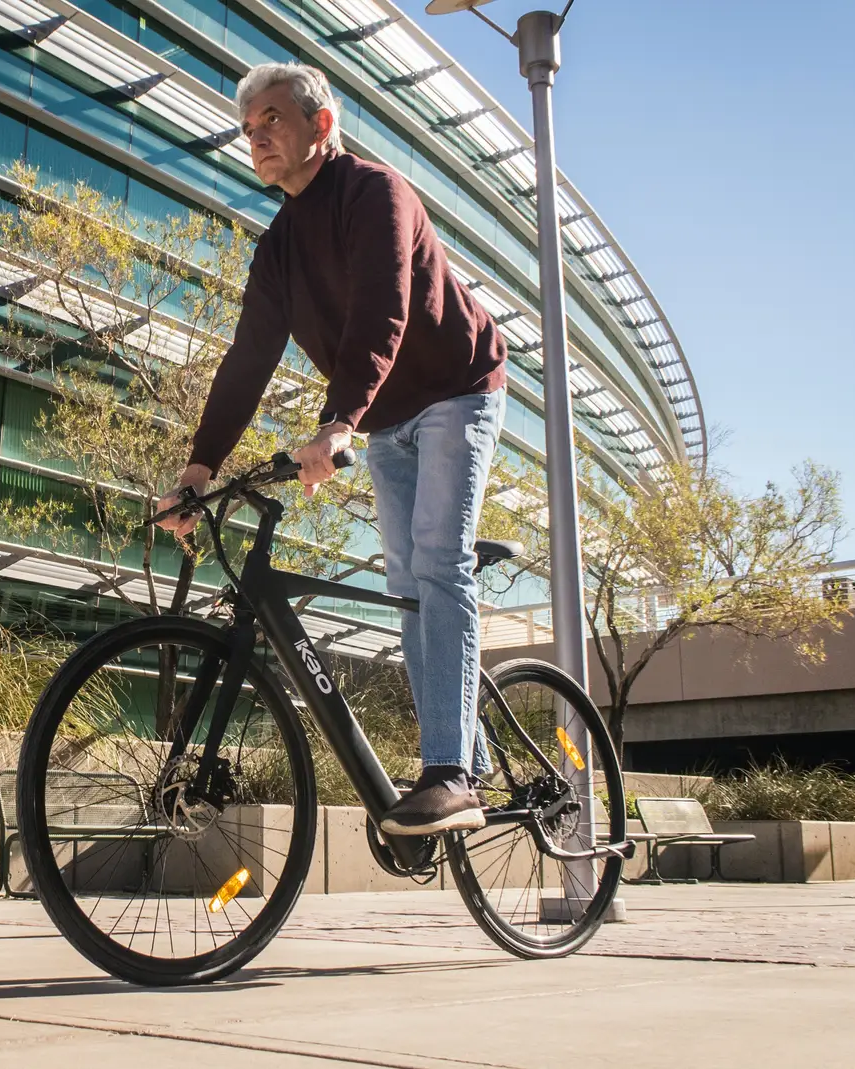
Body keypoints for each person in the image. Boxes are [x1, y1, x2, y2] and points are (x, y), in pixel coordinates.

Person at [156, 63, 508, 836]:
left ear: (321, 125)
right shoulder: (278, 247)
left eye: (273, 120)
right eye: (249, 130)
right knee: (405, 580)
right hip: (384, 418)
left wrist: (338, 419)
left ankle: (451, 774)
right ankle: (468, 761)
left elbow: (384, 307)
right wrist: (197, 470)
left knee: (437, 559)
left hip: (458, 388)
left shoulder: (375, 194)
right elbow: (248, 357)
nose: (258, 139)